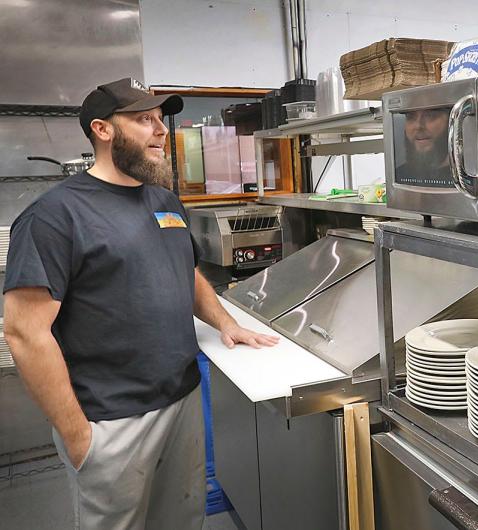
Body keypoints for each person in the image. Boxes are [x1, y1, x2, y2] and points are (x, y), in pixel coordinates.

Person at [2, 78, 279, 529]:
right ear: (102, 130)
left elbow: (185, 272)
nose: (160, 130)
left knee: (182, 520)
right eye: (142, 119)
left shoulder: (164, 200)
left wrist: (226, 322)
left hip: (182, 401)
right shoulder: (53, 216)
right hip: (111, 421)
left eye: (159, 119)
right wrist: (78, 436)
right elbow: (24, 332)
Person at [394, 108, 452, 186]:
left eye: (430, 116)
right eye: (411, 117)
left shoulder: (468, 177)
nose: (418, 126)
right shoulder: (398, 176)